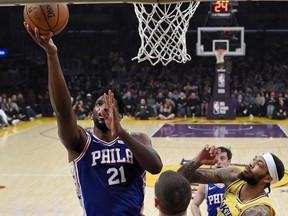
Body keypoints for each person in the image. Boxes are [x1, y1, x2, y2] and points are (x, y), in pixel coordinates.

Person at [25, 24, 163, 215]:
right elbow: (63, 112)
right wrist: (52, 54)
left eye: (110, 104)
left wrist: (121, 133)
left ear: (120, 115)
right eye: (99, 104)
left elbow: (156, 167)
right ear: (91, 114)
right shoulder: (81, 141)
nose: (104, 107)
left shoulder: (138, 139)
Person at [178, 144, 285, 216]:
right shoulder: (234, 176)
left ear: (268, 178)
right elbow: (181, 177)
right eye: (254, 160)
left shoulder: (258, 211)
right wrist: (198, 161)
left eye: (258, 164)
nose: (251, 164)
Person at [190, 147, 232, 216]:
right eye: (216, 159)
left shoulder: (236, 182)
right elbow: (194, 204)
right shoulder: (205, 184)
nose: (218, 162)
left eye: (222, 158)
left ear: (229, 161)